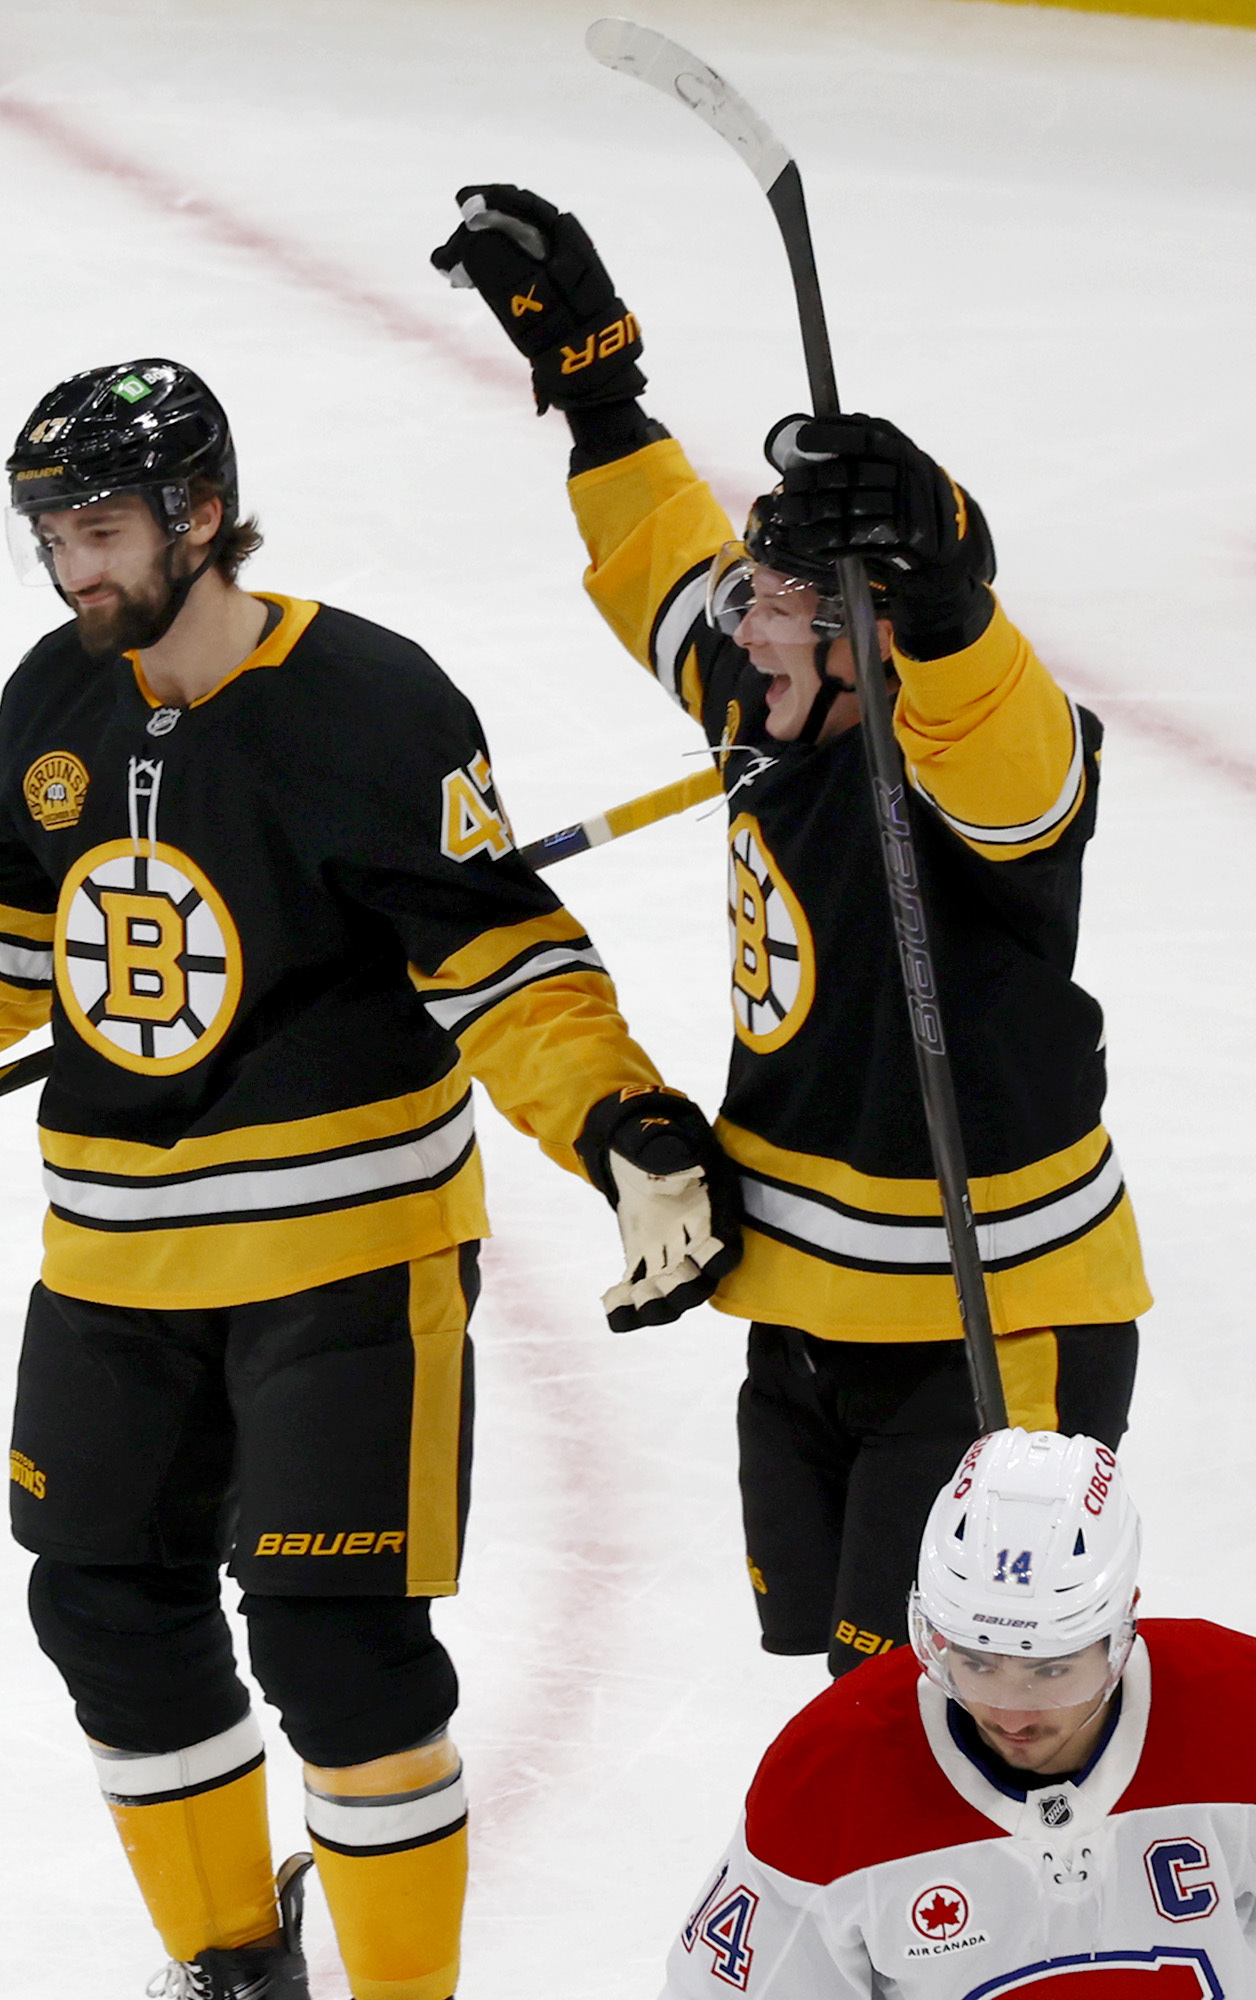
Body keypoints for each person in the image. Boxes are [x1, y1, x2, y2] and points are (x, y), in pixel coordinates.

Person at [0, 358, 735, 2000]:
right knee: (104, 1612)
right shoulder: (51, 701)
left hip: (346, 1255)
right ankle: (232, 1967)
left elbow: (506, 972)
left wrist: (618, 1126)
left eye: (105, 525)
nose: (76, 567)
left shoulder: (370, 703)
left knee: (337, 1650)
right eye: (50, 532)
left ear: (203, 513)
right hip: (115, 1261)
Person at [432, 185, 1146, 1679]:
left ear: (875, 637)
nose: (739, 624)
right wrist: (596, 385)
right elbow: (668, 567)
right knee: (850, 1702)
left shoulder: (968, 769)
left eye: (781, 604)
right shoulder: (771, 699)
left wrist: (940, 579)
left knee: (950, 1704)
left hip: (985, 1320)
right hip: (810, 1304)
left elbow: (1008, 740)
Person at [664, 1429, 1256, 2000]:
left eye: (1050, 1670)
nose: (1010, 1712)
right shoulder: (830, 1779)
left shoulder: (1238, 1712)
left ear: (1121, 1630)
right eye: (975, 1662)